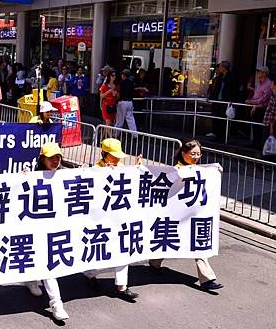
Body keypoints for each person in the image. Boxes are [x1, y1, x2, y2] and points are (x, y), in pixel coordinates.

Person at [149, 139, 224, 292]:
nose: (196, 157)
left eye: (198, 154)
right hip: (175, 215)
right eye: (193, 154)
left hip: (193, 215)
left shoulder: (200, 171)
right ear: (184, 153)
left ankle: (207, 279)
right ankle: (154, 262)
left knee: (197, 241)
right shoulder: (175, 170)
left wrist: (215, 171)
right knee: (169, 237)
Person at [86, 138, 139, 300]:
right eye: (113, 156)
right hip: (100, 219)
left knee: (122, 250)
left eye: (118, 156)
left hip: (119, 218)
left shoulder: (122, 168)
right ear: (104, 154)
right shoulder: (95, 169)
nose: (116, 159)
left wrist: (138, 170)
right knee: (99, 250)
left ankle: (122, 287)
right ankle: (89, 274)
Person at [23, 142, 70, 321]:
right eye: (51, 157)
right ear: (42, 159)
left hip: (55, 228)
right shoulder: (32, 176)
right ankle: (52, 300)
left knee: (47, 264)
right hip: (35, 227)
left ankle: (53, 300)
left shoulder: (65, 176)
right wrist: (23, 180)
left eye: (58, 157)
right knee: (42, 262)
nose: (55, 160)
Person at [206, 61, 235, 142]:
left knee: (223, 119)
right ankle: (217, 136)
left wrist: (231, 99)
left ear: (224, 68)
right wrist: (211, 98)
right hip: (218, 100)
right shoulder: (220, 76)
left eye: (221, 66)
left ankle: (223, 137)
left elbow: (232, 89)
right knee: (217, 118)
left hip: (225, 101)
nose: (219, 68)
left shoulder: (231, 76)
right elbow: (216, 89)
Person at [246, 66, 273, 149]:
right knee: (255, 125)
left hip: (263, 108)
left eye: (259, 72)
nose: (258, 73)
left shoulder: (268, 84)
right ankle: (255, 143)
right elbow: (256, 95)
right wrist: (251, 101)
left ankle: (259, 145)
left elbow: (264, 99)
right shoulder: (259, 83)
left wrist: (251, 102)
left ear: (264, 73)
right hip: (256, 107)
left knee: (259, 126)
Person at [115, 69, 137, 133]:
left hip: (122, 102)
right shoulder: (132, 83)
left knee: (119, 119)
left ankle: (116, 134)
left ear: (123, 75)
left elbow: (119, 93)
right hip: (130, 102)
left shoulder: (121, 83)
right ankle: (135, 135)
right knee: (131, 119)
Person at [99, 70, 118, 137]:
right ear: (109, 76)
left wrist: (115, 93)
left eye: (115, 75)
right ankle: (111, 138)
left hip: (113, 104)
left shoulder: (115, 86)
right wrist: (109, 91)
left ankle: (102, 137)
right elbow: (101, 96)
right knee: (107, 121)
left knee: (109, 123)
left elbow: (118, 96)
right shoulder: (104, 86)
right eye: (112, 75)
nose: (114, 77)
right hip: (106, 105)